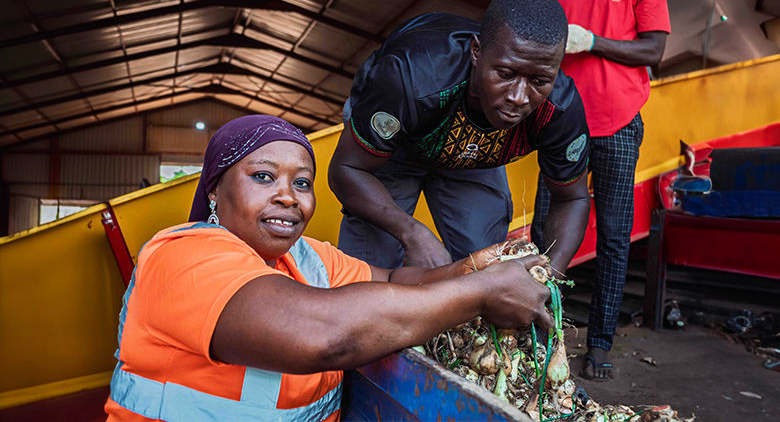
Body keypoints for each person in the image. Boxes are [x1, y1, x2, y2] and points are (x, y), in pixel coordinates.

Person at [104, 115, 553, 421]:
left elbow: (395, 281)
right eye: (263, 177)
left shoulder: (307, 258)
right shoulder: (183, 255)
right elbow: (320, 337)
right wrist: (481, 294)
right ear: (215, 191)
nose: (288, 196)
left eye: (301, 183)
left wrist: (478, 267)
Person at [328, 0, 591, 276]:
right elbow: (347, 168)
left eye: (539, 81)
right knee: (370, 271)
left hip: (472, 157)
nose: (519, 97)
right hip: (394, 147)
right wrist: (412, 233)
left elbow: (572, 198)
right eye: (505, 74)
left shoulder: (559, 110)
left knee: (485, 265)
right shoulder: (411, 78)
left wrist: (552, 274)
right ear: (476, 51)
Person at [532, 0, 670, 381]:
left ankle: (600, 343)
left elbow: (653, 51)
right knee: (546, 230)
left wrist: (593, 41)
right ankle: (541, 334)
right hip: (562, 121)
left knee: (613, 233)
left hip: (620, 121)